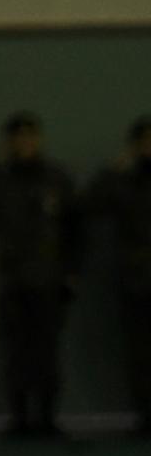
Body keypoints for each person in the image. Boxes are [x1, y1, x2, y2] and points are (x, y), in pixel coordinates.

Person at [0, 112, 74, 435]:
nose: (25, 143)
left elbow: (75, 227)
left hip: (48, 279)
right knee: (16, 352)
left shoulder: (56, 178)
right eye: (18, 137)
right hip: (9, 279)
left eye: (30, 137)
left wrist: (70, 272)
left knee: (46, 351)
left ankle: (46, 417)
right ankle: (20, 418)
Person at [106, 117, 151, 434]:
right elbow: (87, 204)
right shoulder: (124, 180)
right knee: (140, 353)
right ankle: (146, 415)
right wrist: (114, 173)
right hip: (137, 280)